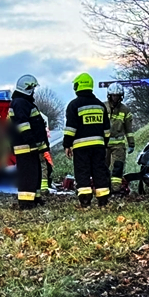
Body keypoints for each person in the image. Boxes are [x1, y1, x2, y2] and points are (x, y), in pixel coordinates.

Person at [63, 72, 111, 207]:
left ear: (78, 86)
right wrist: (103, 143)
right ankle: (103, 200)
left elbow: (70, 128)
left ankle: (85, 200)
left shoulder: (74, 105)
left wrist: (67, 145)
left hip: (80, 147)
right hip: (98, 146)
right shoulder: (100, 105)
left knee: (82, 171)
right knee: (99, 170)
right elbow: (107, 130)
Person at [9, 74, 47, 209]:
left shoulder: (25, 102)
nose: (34, 91)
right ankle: (26, 203)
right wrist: (31, 141)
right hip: (25, 146)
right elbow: (23, 125)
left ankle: (35, 198)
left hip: (30, 146)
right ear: (28, 88)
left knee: (34, 173)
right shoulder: (20, 103)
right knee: (27, 175)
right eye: (33, 88)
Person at [105, 82, 135, 194]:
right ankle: (104, 189)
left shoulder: (125, 110)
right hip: (104, 144)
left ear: (121, 96)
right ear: (109, 95)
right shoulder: (103, 107)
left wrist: (131, 144)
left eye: (117, 95)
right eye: (113, 95)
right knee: (103, 167)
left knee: (118, 167)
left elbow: (129, 129)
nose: (115, 97)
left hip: (119, 144)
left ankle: (116, 190)